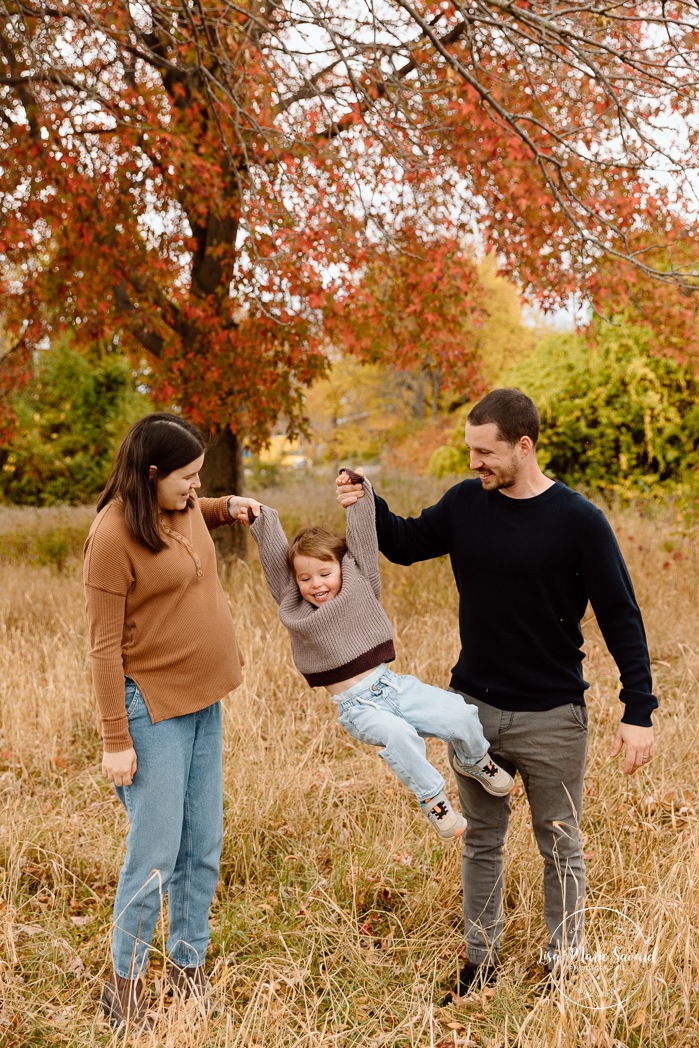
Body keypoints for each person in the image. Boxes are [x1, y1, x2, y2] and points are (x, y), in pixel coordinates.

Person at [336, 388, 657, 1001]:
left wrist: (637, 710)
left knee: (560, 845)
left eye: (485, 452)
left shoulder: (579, 520)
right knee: (481, 842)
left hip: (554, 717)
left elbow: (622, 615)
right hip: (473, 715)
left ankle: (564, 967)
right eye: (470, 450)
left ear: (523, 446)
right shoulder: (465, 503)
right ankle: (480, 966)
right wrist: (367, 499)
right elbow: (404, 543)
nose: (474, 462)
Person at [83, 413, 258, 1030]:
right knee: (156, 855)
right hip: (151, 708)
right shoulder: (112, 537)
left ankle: (188, 969)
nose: (196, 485)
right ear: (151, 474)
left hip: (205, 701)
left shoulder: (180, 506)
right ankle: (124, 989)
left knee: (202, 846)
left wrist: (226, 507)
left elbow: (194, 513)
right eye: (187, 476)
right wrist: (115, 740)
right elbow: (103, 647)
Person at [239, 469, 514, 843]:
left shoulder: (359, 584)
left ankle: (474, 759)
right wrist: (262, 520)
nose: (316, 584)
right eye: (305, 578)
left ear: (341, 568)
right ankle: (434, 801)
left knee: (460, 713)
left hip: (393, 686)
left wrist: (360, 493)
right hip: (358, 708)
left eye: (324, 573)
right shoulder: (295, 607)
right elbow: (276, 562)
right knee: (400, 735)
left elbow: (364, 541)